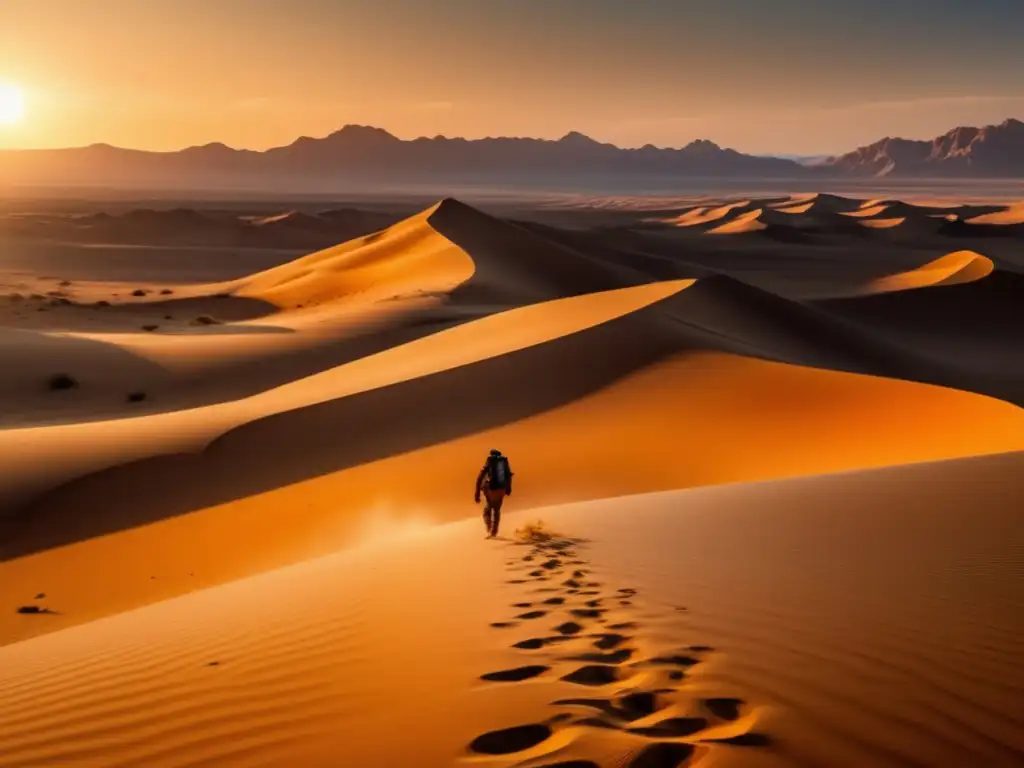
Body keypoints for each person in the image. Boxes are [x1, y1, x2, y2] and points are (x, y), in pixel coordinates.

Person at [475, 449, 513, 538]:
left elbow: (480, 478)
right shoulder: (504, 463)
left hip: (491, 489)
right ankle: (494, 531)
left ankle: (489, 529)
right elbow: (508, 476)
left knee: (487, 510)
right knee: (496, 510)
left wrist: (477, 493)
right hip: (501, 489)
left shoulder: (489, 463)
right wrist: (508, 488)